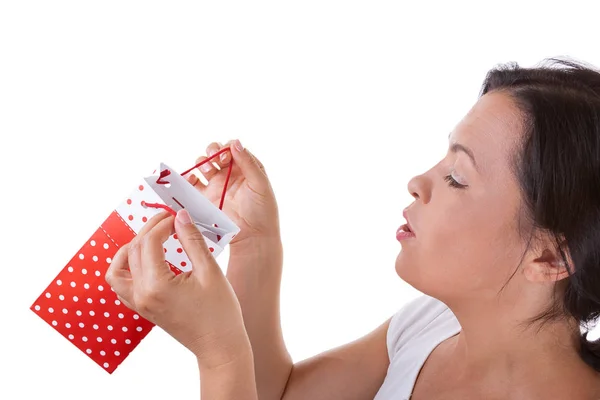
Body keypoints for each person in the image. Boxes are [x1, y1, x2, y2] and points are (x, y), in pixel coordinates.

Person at [106, 57, 600, 399]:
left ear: (549, 259)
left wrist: (220, 355)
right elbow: (277, 395)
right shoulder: (432, 326)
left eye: (457, 177)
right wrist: (257, 247)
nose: (416, 182)